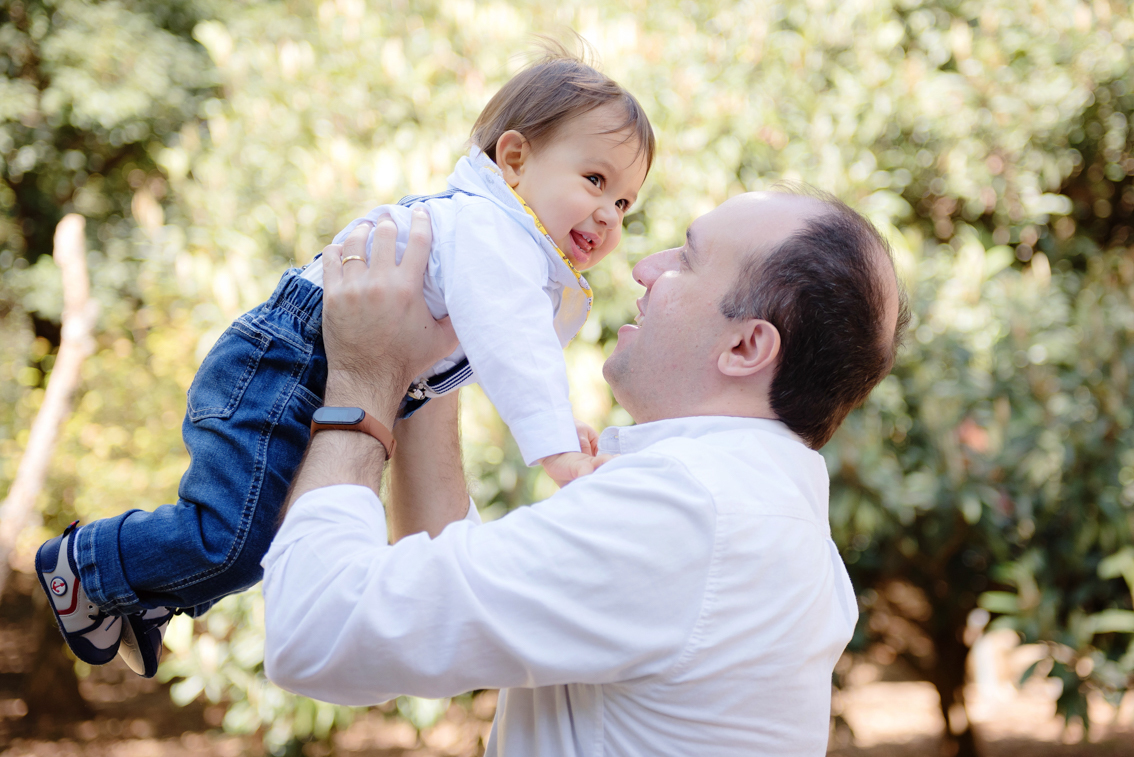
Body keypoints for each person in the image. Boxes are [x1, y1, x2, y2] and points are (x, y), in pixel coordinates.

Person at [34, 51, 652, 679]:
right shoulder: (494, 230)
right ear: (514, 160)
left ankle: (139, 594)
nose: (609, 213)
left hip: (308, 364)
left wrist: (556, 427)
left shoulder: (510, 246)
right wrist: (557, 450)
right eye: (595, 180)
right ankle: (87, 565)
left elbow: (502, 353)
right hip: (288, 360)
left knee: (280, 533)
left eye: (626, 203)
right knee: (235, 538)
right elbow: (515, 348)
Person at [261, 187, 911, 755]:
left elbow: (316, 629)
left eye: (686, 259)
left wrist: (362, 377)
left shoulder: (681, 513)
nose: (645, 268)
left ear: (745, 345)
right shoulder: (752, 503)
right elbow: (447, 592)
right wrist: (434, 355)